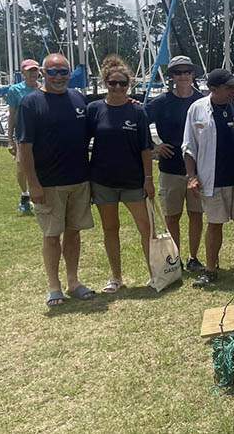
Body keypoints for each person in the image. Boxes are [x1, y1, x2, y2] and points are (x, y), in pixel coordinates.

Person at [16, 53, 96, 306]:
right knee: (52, 236)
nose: (59, 77)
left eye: (64, 72)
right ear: (43, 74)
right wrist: (33, 184)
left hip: (79, 180)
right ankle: (54, 286)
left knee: (73, 233)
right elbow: (25, 147)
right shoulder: (31, 103)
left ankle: (73, 282)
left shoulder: (78, 98)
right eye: (53, 72)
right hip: (48, 183)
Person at [182, 69, 234, 287]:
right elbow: (189, 147)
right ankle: (210, 270)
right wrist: (192, 177)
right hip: (212, 178)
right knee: (214, 224)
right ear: (214, 89)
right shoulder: (197, 109)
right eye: (229, 87)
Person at [87, 55, 155, 293]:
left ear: (129, 86)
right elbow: (79, 142)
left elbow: (146, 148)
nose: (117, 88)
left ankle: (154, 273)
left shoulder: (138, 111)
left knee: (145, 227)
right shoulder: (94, 110)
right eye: (113, 83)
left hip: (133, 181)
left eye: (122, 84)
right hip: (103, 180)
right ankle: (116, 277)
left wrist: (149, 180)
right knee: (110, 228)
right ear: (105, 83)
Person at [147, 56, 207, 274]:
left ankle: (193, 257)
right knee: (172, 216)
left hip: (198, 169)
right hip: (170, 168)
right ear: (172, 76)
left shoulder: (202, 101)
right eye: (178, 73)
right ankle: (175, 257)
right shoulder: (161, 102)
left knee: (196, 214)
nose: (183, 76)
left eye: (187, 72)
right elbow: (140, 122)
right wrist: (154, 145)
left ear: (192, 75)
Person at [5, 58, 42, 215]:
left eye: (35, 70)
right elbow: (11, 115)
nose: (33, 73)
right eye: (30, 70)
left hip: (42, 135)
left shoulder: (45, 88)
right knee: (21, 168)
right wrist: (10, 140)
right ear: (23, 73)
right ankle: (25, 193)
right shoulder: (15, 90)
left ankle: (37, 195)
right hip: (23, 135)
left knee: (40, 167)